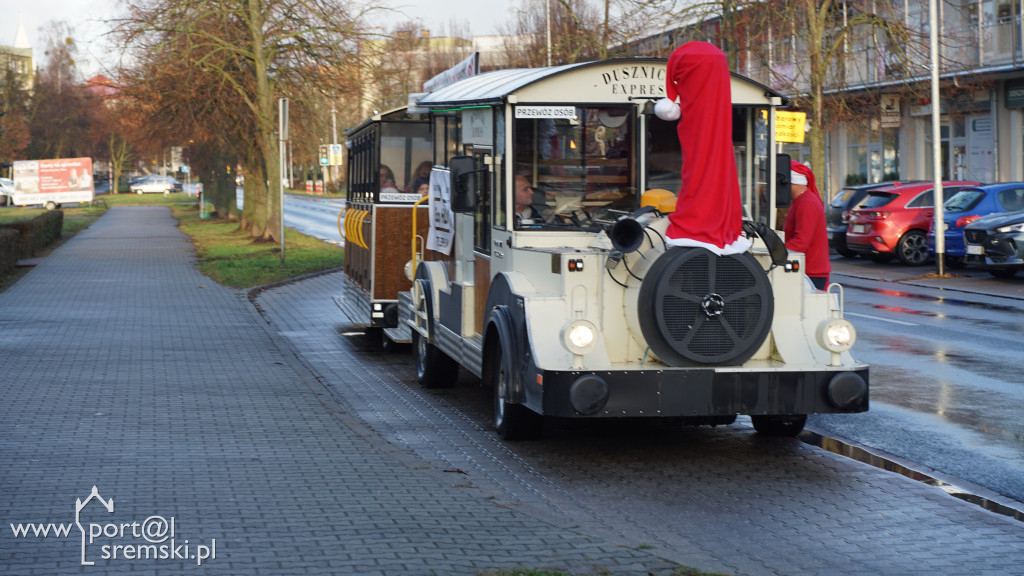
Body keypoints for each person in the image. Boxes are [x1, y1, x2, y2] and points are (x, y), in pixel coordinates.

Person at [784, 161, 831, 290]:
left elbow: (801, 242)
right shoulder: (801, 201)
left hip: (811, 272)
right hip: (809, 270)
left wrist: (777, 252)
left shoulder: (806, 204)